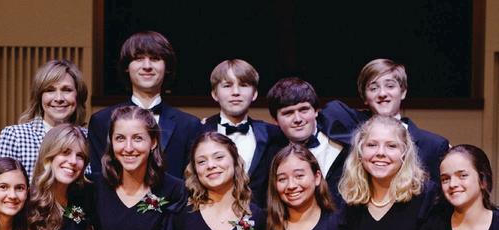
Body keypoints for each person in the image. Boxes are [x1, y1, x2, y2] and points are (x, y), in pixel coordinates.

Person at [87, 31, 201, 178]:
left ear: (167, 67)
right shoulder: (102, 121)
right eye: (139, 59)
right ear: (127, 67)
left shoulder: (189, 125)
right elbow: (99, 180)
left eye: (155, 59)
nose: (147, 66)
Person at [318, 58, 449, 184]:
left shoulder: (433, 145)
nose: (382, 94)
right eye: (373, 88)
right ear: (365, 97)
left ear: (403, 92)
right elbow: (331, 111)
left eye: (390, 86)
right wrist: (364, 137)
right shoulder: (355, 130)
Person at [200, 59, 280, 206]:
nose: (236, 92)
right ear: (215, 94)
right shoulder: (198, 131)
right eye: (227, 86)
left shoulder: (272, 134)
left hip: (260, 216)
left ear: (254, 94)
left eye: (243, 85)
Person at [0, 59, 88, 178]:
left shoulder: (89, 138)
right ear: (39, 96)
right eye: (50, 90)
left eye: (67, 90)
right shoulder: (14, 137)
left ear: (78, 95)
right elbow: (1, 186)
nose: (59, 98)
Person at [267, 77, 349, 204]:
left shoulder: (342, 137)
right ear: (275, 120)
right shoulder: (271, 155)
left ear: (316, 111)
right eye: (288, 113)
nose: (298, 119)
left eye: (303, 110)